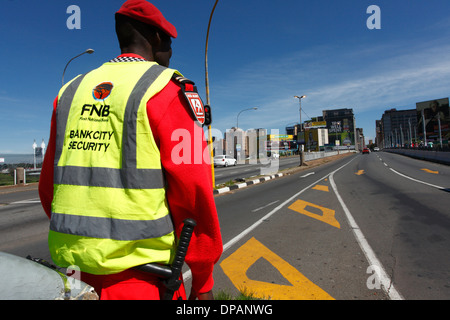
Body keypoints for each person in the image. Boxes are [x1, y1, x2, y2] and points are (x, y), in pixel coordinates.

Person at [39, 0, 222, 300]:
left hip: (69, 282)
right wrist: (202, 282)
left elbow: (50, 189)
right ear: (156, 38)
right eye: (170, 43)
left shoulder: (69, 92)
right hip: (143, 284)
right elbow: (195, 194)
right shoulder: (170, 90)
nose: (171, 53)